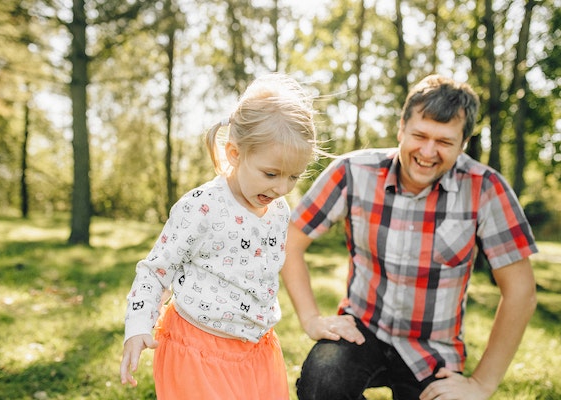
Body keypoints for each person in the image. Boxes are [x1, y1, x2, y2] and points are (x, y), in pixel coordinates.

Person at [281, 74, 538, 400]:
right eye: (420, 135)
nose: (428, 152)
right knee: (323, 379)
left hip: (433, 350)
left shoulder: (486, 188)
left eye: (445, 142)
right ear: (401, 128)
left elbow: (521, 292)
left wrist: (480, 384)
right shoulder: (353, 172)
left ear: (463, 143)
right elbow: (291, 240)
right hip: (362, 329)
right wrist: (310, 318)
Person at [119, 73, 320, 400]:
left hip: (258, 350)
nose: (282, 188)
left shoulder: (279, 210)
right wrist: (138, 326)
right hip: (198, 350)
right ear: (234, 153)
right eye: (271, 174)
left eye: (293, 176)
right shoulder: (202, 207)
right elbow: (156, 270)